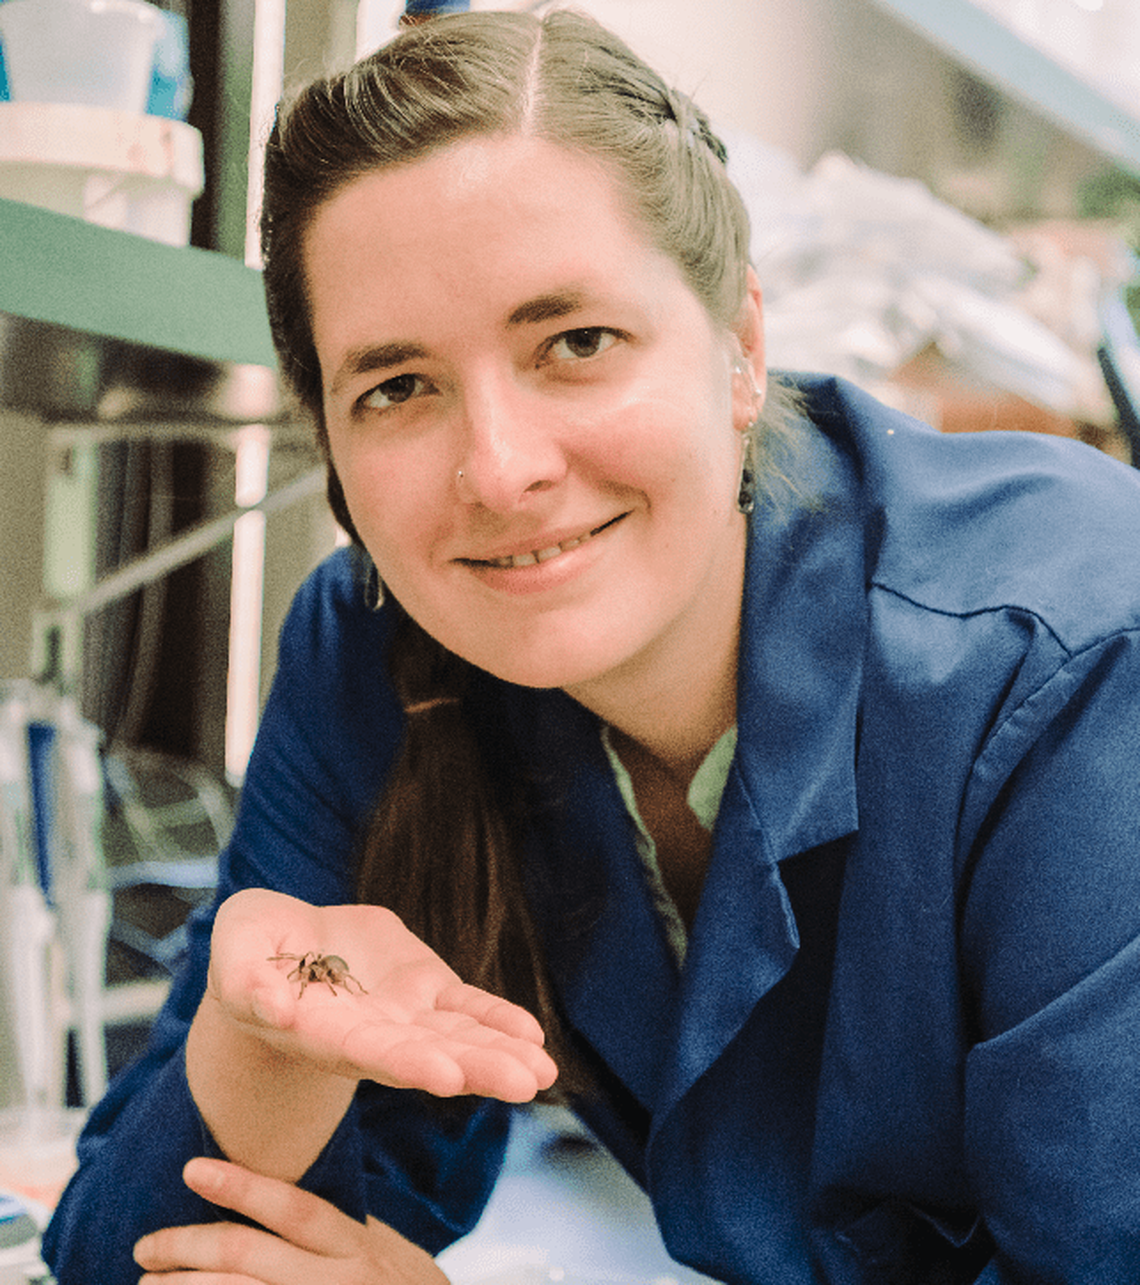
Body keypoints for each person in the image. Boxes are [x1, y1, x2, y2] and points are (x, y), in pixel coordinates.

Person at [43, 9, 1140, 1284]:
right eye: (396, 386)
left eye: (575, 343)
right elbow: (140, 1259)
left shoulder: (1074, 658)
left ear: (741, 348)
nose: (501, 472)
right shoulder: (380, 654)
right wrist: (255, 1052)